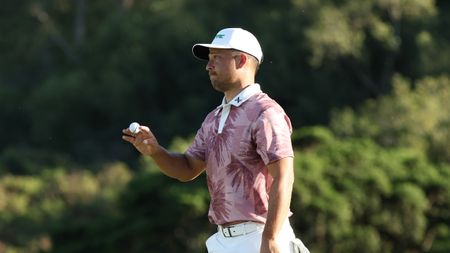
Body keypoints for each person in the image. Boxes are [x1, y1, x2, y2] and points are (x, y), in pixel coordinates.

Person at [122, 28, 309, 253]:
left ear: (241, 60)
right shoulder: (214, 118)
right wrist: (156, 151)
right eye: (209, 59)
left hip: (260, 237)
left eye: (217, 58)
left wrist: (270, 239)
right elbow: (187, 169)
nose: (208, 66)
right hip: (223, 242)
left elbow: (284, 176)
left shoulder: (265, 112)